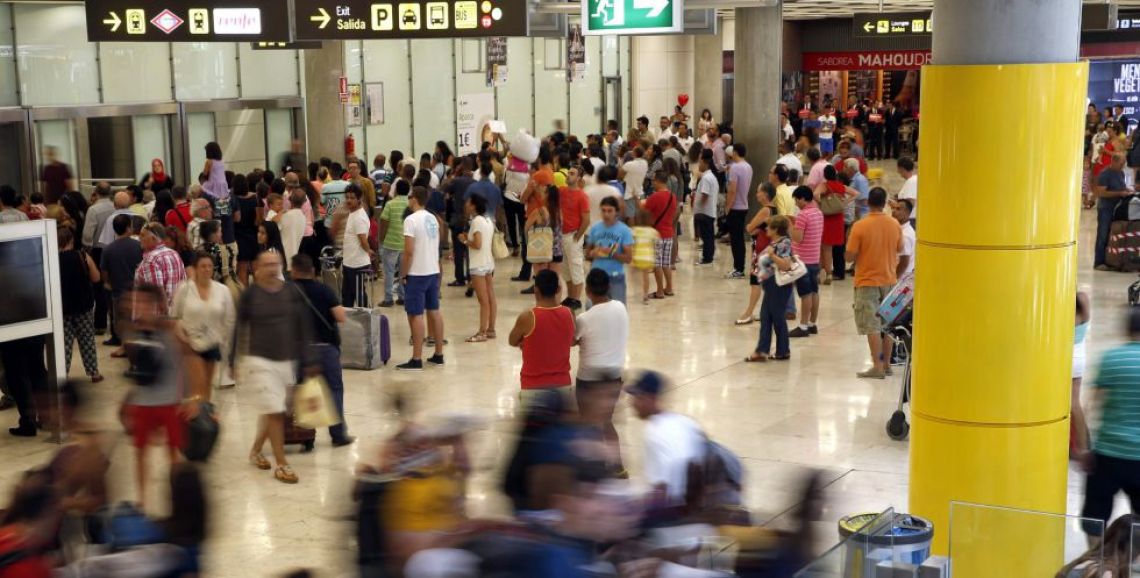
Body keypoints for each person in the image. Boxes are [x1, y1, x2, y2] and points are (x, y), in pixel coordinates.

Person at [234, 251, 314, 484]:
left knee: (275, 410)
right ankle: (282, 465)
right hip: (259, 361)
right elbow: (238, 327)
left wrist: (310, 359)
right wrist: (233, 360)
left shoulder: (291, 291)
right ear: (257, 268)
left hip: (286, 360)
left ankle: (257, 450)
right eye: (266, 264)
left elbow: (303, 325)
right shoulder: (249, 294)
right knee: (276, 412)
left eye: (275, 264)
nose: (271, 269)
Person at [120, 284, 193, 508]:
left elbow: (188, 361)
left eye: (144, 302)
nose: (139, 307)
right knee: (141, 453)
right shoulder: (132, 330)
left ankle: (177, 498)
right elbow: (136, 369)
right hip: (143, 402)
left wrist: (191, 398)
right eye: (136, 302)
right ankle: (143, 500)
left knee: (173, 454)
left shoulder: (172, 329)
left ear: (157, 305)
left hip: (169, 401)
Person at [1079, 309, 1140, 544]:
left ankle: (1098, 561)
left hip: (1107, 453)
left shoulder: (1111, 358)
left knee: (1095, 515)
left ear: (1127, 330)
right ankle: (1133, 561)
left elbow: (1091, 405)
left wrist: (1085, 448)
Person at [291, 254, 355, 447]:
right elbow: (341, 316)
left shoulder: (288, 292)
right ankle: (338, 435)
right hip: (326, 348)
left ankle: (306, 438)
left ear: (293, 271)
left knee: (303, 392)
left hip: (300, 349)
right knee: (334, 389)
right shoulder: (324, 290)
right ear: (312, 271)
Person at [574, 268, 629, 475]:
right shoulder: (620, 308)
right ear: (608, 287)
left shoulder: (584, 318)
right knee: (606, 422)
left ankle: (595, 468)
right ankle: (617, 465)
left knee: (589, 425)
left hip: (589, 379)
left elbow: (572, 340)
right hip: (614, 376)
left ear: (587, 291)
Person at [845, 187, 903, 379]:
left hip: (867, 281)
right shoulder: (895, 224)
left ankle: (876, 365)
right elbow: (900, 249)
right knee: (887, 325)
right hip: (889, 279)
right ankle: (886, 364)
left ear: (868, 202)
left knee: (871, 326)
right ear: (885, 202)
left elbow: (849, 256)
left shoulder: (860, 226)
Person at [625, 370, 706, 505]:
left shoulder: (654, 434)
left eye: (638, 398)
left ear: (652, 399)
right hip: (699, 501)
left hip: (675, 510)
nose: (632, 403)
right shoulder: (685, 422)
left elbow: (662, 489)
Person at [172, 251, 235, 404]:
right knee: (197, 387)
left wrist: (227, 344)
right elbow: (174, 315)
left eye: (209, 266)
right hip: (190, 345)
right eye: (202, 266)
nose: (206, 270)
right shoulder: (184, 289)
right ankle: (196, 417)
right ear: (195, 268)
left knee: (207, 389)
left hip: (212, 343)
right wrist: (179, 335)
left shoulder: (222, 290)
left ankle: (205, 416)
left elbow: (229, 319)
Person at [509, 270, 575, 408]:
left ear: (535, 290)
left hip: (533, 389)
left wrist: (527, 341)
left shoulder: (528, 317)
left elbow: (512, 340)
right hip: (562, 385)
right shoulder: (569, 313)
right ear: (558, 289)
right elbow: (570, 340)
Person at [398, 187, 445, 371]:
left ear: (414, 199)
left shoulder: (410, 220)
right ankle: (438, 354)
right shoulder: (432, 218)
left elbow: (408, 252)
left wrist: (403, 273)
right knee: (434, 311)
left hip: (417, 273)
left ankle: (416, 358)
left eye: (409, 197)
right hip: (432, 270)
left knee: (415, 314)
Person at [745, 215, 795, 362]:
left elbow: (785, 265)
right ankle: (763, 350)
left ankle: (782, 350)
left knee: (777, 317)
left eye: (769, 227)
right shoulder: (776, 242)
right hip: (771, 284)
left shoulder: (783, 243)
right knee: (766, 317)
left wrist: (772, 255)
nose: (766, 229)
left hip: (778, 286)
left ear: (776, 230)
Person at [57, 226, 103, 383]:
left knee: (64, 343)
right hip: (83, 305)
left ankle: (62, 375)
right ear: (71, 240)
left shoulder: (52, 259)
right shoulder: (82, 256)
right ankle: (94, 372)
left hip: (61, 308)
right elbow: (96, 278)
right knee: (87, 339)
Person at [737, 183, 778, 325]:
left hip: (761, 251)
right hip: (769, 249)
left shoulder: (765, 210)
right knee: (767, 282)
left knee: (756, 282)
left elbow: (749, 227)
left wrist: (753, 228)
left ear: (765, 194)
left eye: (758, 191)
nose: (756, 194)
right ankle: (767, 311)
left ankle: (749, 313)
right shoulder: (775, 209)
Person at [100, 214, 143, 351]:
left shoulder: (108, 249)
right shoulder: (139, 246)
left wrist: (108, 282)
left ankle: (117, 338)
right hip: (136, 289)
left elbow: (104, 272)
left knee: (117, 317)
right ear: (128, 228)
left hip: (117, 289)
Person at [459, 194, 497, 342]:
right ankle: (491, 329)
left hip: (478, 265)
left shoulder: (476, 222)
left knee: (483, 300)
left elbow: (477, 244)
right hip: (488, 262)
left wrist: (464, 241)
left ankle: (481, 332)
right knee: (491, 297)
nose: (466, 205)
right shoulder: (488, 220)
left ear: (474, 205)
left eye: (468, 203)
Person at [585, 197, 634, 306]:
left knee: (618, 309)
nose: (606, 214)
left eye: (609, 211)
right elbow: (587, 254)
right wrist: (593, 253)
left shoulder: (624, 230)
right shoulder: (595, 228)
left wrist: (611, 253)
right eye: (603, 210)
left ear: (616, 212)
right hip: (596, 277)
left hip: (615, 277)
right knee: (592, 309)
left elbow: (628, 258)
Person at [789, 186, 823, 339]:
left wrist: (789, 225)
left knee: (805, 294)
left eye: (797, 200)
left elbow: (798, 238)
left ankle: (802, 326)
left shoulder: (803, 215)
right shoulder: (818, 213)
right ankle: (812, 323)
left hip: (802, 260)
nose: (796, 203)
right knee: (814, 291)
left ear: (803, 198)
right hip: (814, 259)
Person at [814, 165, 854, 286]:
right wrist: (844, 202)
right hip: (838, 218)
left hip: (827, 218)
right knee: (833, 247)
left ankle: (827, 273)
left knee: (825, 248)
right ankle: (827, 273)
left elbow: (815, 194)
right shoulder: (841, 186)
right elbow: (856, 193)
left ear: (825, 175)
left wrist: (822, 203)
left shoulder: (824, 185)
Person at [135, 223, 188, 311]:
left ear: (153, 238)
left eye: (143, 235)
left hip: (157, 317)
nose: (139, 238)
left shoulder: (151, 259)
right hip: (176, 311)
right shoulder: (174, 253)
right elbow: (184, 284)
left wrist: (165, 317)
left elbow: (157, 293)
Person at [559, 167, 590, 310]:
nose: (568, 175)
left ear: (578, 178)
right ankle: (570, 297)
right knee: (566, 268)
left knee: (576, 267)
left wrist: (577, 236)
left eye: (572, 173)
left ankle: (576, 299)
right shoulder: (562, 191)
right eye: (568, 173)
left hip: (573, 236)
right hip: (562, 235)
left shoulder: (582, 196)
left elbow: (586, 219)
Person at [1094, 153, 1132, 271]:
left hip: (1117, 208)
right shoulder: (1105, 175)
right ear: (1114, 162)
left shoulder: (1120, 173)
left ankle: (1110, 260)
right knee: (1103, 235)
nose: (1123, 165)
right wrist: (1119, 193)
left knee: (1113, 235)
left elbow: (1121, 187)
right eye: (1121, 163)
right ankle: (1099, 261)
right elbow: (1101, 193)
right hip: (1106, 208)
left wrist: (1127, 190)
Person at [643, 172, 677, 299]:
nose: (652, 183)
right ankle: (669, 288)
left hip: (656, 234)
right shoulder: (672, 197)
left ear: (658, 181)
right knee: (666, 263)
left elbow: (645, 213)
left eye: (653, 181)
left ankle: (659, 291)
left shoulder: (654, 197)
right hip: (668, 233)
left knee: (657, 263)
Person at [378, 180, 410, 307]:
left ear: (396, 190)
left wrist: (381, 239)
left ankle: (388, 298)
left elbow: (384, 222)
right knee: (404, 272)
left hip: (391, 243)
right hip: (406, 243)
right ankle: (402, 297)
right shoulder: (410, 204)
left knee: (389, 271)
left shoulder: (390, 204)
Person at [341, 184, 374, 307]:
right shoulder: (353, 213)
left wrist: (369, 251)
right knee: (347, 295)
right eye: (347, 197)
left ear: (359, 199)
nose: (349, 200)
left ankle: (365, 319)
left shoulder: (359, 217)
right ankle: (348, 321)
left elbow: (363, 239)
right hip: (349, 261)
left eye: (352, 198)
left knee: (359, 295)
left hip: (357, 263)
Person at [724, 144, 753, 279]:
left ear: (735, 152)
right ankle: (740, 267)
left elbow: (732, 190)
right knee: (739, 238)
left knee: (736, 240)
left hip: (735, 207)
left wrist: (727, 208)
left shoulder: (735, 168)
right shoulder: (748, 166)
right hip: (744, 206)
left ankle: (738, 268)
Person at [1071, 292, 1092, 462]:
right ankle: (1084, 447)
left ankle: (1076, 445)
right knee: (1075, 404)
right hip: (1079, 356)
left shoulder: (1062, 304)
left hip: (1065, 358)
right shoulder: (1083, 299)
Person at [692, 152, 718, 265]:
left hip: (705, 212)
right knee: (708, 235)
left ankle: (707, 257)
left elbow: (705, 195)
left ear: (704, 163)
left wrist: (699, 208)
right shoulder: (710, 176)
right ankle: (709, 255)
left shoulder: (707, 178)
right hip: (708, 211)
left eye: (700, 162)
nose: (699, 165)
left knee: (707, 236)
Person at [619, 147, 649, 219]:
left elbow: (619, 176)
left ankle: (632, 230)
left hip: (629, 193)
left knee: (630, 216)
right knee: (638, 216)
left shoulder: (629, 164)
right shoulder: (645, 163)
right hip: (640, 192)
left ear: (635, 153)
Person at [894, 198, 916, 277]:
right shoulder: (900, 230)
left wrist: (893, 280)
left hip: (899, 279)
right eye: (893, 208)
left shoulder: (905, 235)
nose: (894, 211)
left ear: (907, 213)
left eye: (898, 209)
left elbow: (904, 263)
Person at [896, 157, 918, 229]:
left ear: (901, 169)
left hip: (911, 219)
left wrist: (896, 205)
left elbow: (910, 202)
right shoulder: (912, 180)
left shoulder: (911, 181)